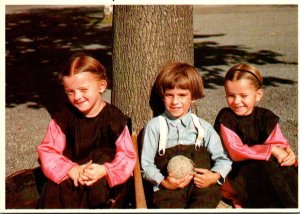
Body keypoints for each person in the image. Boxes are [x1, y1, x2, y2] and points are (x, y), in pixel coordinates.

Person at [37, 53, 137, 208]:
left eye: (83, 89)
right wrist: (70, 169)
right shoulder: (63, 118)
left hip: (101, 181)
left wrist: (105, 170)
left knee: (103, 155)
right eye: (70, 91)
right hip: (71, 177)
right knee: (54, 187)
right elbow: (48, 150)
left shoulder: (115, 120)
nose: (77, 97)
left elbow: (127, 156)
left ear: (101, 86)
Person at [141, 62, 232, 208]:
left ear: (193, 97)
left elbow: (224, 159)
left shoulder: (203, 127)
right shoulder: (155, 127)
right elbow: (146, 165)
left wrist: (214, 176)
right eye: (169, 95)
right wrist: (163, 182)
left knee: (209, 196)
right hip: (169, 187)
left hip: (200, 186)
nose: (175, 101)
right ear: (162, 96)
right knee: (166, 202)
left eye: (182, 95)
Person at [214, 63, 298, 208]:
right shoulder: (226, 118)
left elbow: (278, 143)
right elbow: (236, 152)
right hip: (236, 172)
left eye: (243, 95)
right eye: (231, 96)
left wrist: (288, 154)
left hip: (263, 167)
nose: (237, 101)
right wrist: (270, 150)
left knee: (285, 168)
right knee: (265, 171)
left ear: (258, 95)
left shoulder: (265, 117)